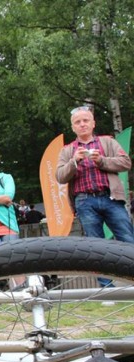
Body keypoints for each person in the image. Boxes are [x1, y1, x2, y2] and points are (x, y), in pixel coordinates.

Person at [56, 106, 134, 288]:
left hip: (111, 198)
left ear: (93, 124)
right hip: (84, 201)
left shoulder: (108, 142)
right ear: (73, 127)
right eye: (78, 122)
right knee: (95, 246)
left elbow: (126, 162)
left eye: (85, 121)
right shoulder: (68, 150)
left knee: (127, 239)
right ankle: (106, 288)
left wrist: (102, 161)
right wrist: (74, 161)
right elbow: (59, 176)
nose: (82, 124)